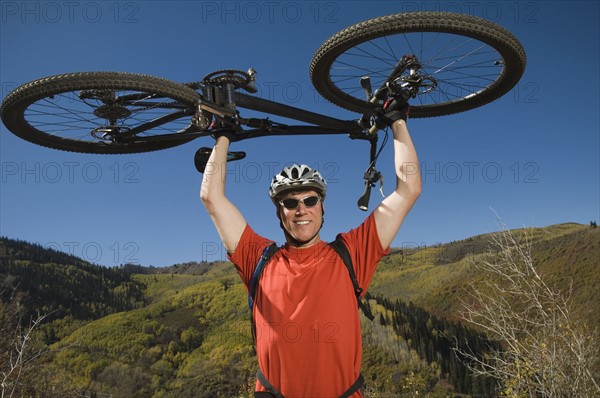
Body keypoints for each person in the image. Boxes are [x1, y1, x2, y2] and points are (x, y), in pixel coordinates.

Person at [200, 96, 421, 397]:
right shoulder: (259, 258)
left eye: (310, 200)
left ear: (321, 206)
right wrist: (223, 136)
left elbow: (409, 190)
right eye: (290, 203)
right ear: (279, 213)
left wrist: (397, 121)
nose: (301, 209)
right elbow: (212, 198)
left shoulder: (351, 253)